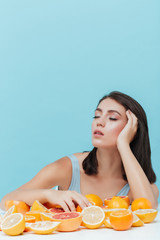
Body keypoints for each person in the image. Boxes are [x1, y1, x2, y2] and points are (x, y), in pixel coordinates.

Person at [0, 91, 159, 212]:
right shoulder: (68, 167)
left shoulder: (137, 184)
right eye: (97, 116)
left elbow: (148, 209)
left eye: (112, 118)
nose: (99, 123)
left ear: (132, 130)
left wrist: (124, 144)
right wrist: (49, 195)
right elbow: (6, 201)